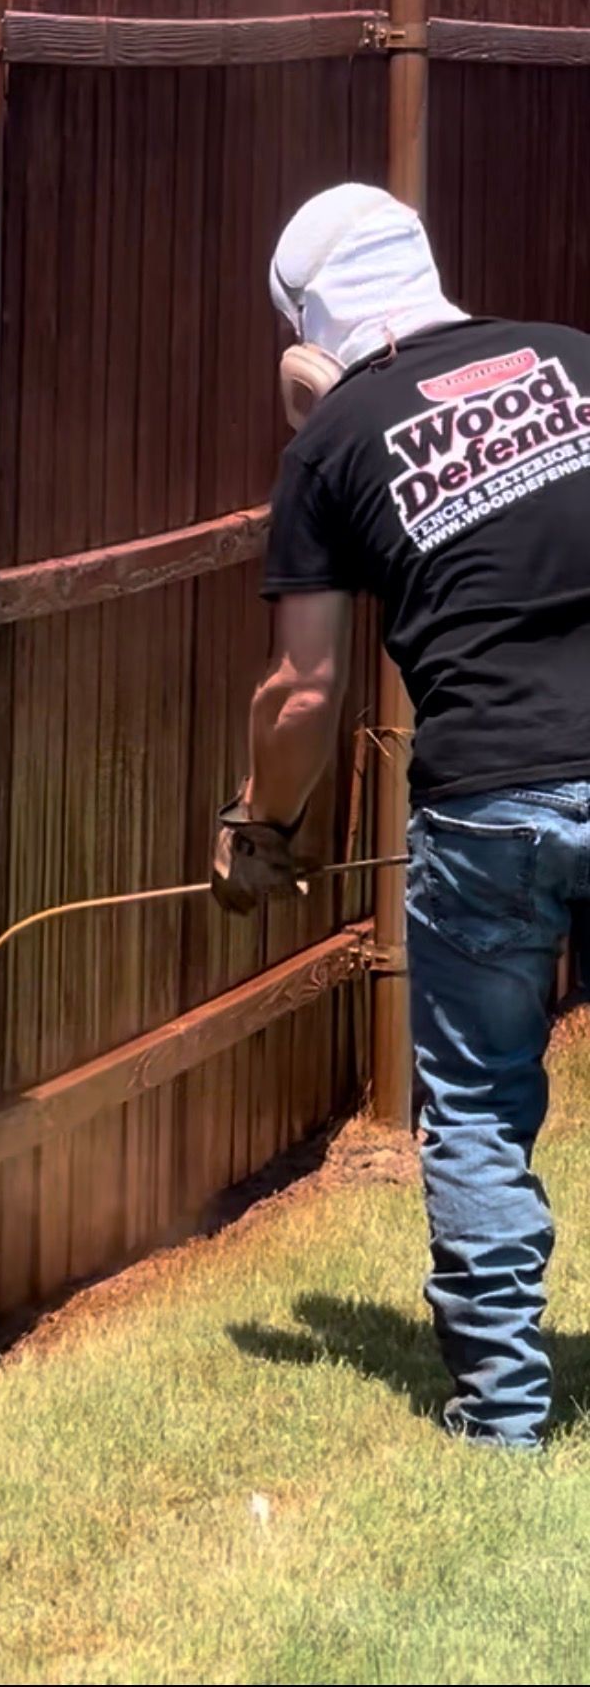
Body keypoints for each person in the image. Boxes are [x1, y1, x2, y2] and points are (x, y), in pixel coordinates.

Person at [212, 181, 590, 1449]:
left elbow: (305, 687)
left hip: (487, 808)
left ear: (306, 333)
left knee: (479, 1105)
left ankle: (504, 1416)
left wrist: (264, 826)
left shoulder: (328, 446)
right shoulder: (575, 362)